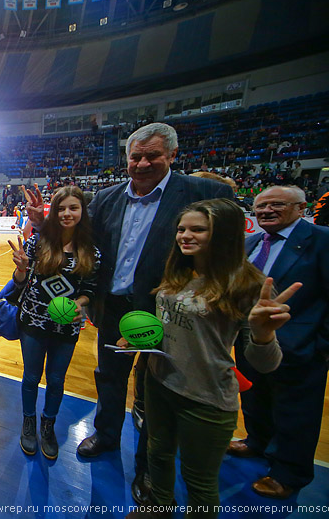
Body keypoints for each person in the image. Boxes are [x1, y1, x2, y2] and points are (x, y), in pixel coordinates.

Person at [25, 123, 233, 505]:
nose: (142, 163)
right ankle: (105, 434)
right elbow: (82, 239)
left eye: (152, 155)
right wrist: (46, 225)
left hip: (165, 310)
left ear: (171, 155)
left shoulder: (204, 193)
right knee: (109, 376)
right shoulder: (106, 197)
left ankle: (149, 469)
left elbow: (225, 246)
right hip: (114, 307)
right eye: (135, 156)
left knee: (157, 389)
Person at [125, 198, 296, 519]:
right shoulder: (178, 270)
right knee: (157, 454)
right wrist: (139, 338)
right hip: (159, 382)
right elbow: (172, 326)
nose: (185, 236)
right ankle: (160, 508)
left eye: (198, 230)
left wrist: (263, 334)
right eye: (181, 229)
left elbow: (266, 364)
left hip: (206, 398)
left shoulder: (248, 284)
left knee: (199, 480)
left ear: (224, 234)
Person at [227, 186, 329, 499]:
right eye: (261, 206)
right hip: (249, 338)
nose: (267, 211)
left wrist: (321, 345)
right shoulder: (251, 242)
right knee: (255, 398)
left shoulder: (323, 240)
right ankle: (257, 442)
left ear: (301, 208)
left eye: (277, 205)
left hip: (299, 344)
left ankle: (289, 473)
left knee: (296, 412)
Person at [8, 186, 100, 460]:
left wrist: (79, 304)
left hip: (67, 326)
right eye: (61, 208)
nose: (67, 213)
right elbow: (20, 283)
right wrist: (22, 268)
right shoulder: (39, 242)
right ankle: (28, 422)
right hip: (33, 322)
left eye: (73, 207)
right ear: (54, 212)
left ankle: (47, 425)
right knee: (31, 377)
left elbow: (90, 291)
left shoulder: (91, 252)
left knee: (57, 380)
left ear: (83, 211)